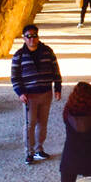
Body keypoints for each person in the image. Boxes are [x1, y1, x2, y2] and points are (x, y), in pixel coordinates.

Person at [10, 23, 62, 165]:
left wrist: (57, 87)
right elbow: (14, 76)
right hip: (29, 96)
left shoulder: (47, 51)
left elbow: (55, 70)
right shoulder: (19, 56)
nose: (32, 39)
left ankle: (39, 149)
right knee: (30, 123)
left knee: (42, 123)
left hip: (46, 93)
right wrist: (20, 92)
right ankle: (29, 152)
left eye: (34, 36)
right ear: (24, 38)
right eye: (29, 36)